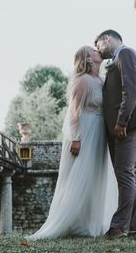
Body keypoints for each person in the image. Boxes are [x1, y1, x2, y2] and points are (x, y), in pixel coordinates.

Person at [27, 46, 118, 239]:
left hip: (100, 132)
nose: (98, 50)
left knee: (95, 175)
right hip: (86, 131)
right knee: (80, 174)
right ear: (87, 58)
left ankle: (88, 223)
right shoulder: (83, 81)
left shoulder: (100, 80)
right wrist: (75, 139)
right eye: (94, 50)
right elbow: (74, 113)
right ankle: (67, 221)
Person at [95, 29, 136, 240]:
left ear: (106, 39)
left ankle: (118, 227)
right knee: (126, 175)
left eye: (98, 45)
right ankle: (133, 228)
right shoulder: (118, 58)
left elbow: (131, 88)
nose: (98, 51)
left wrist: (121, 120)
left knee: (124, 174)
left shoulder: (126, 53)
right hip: (119, 127)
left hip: (126, 125)